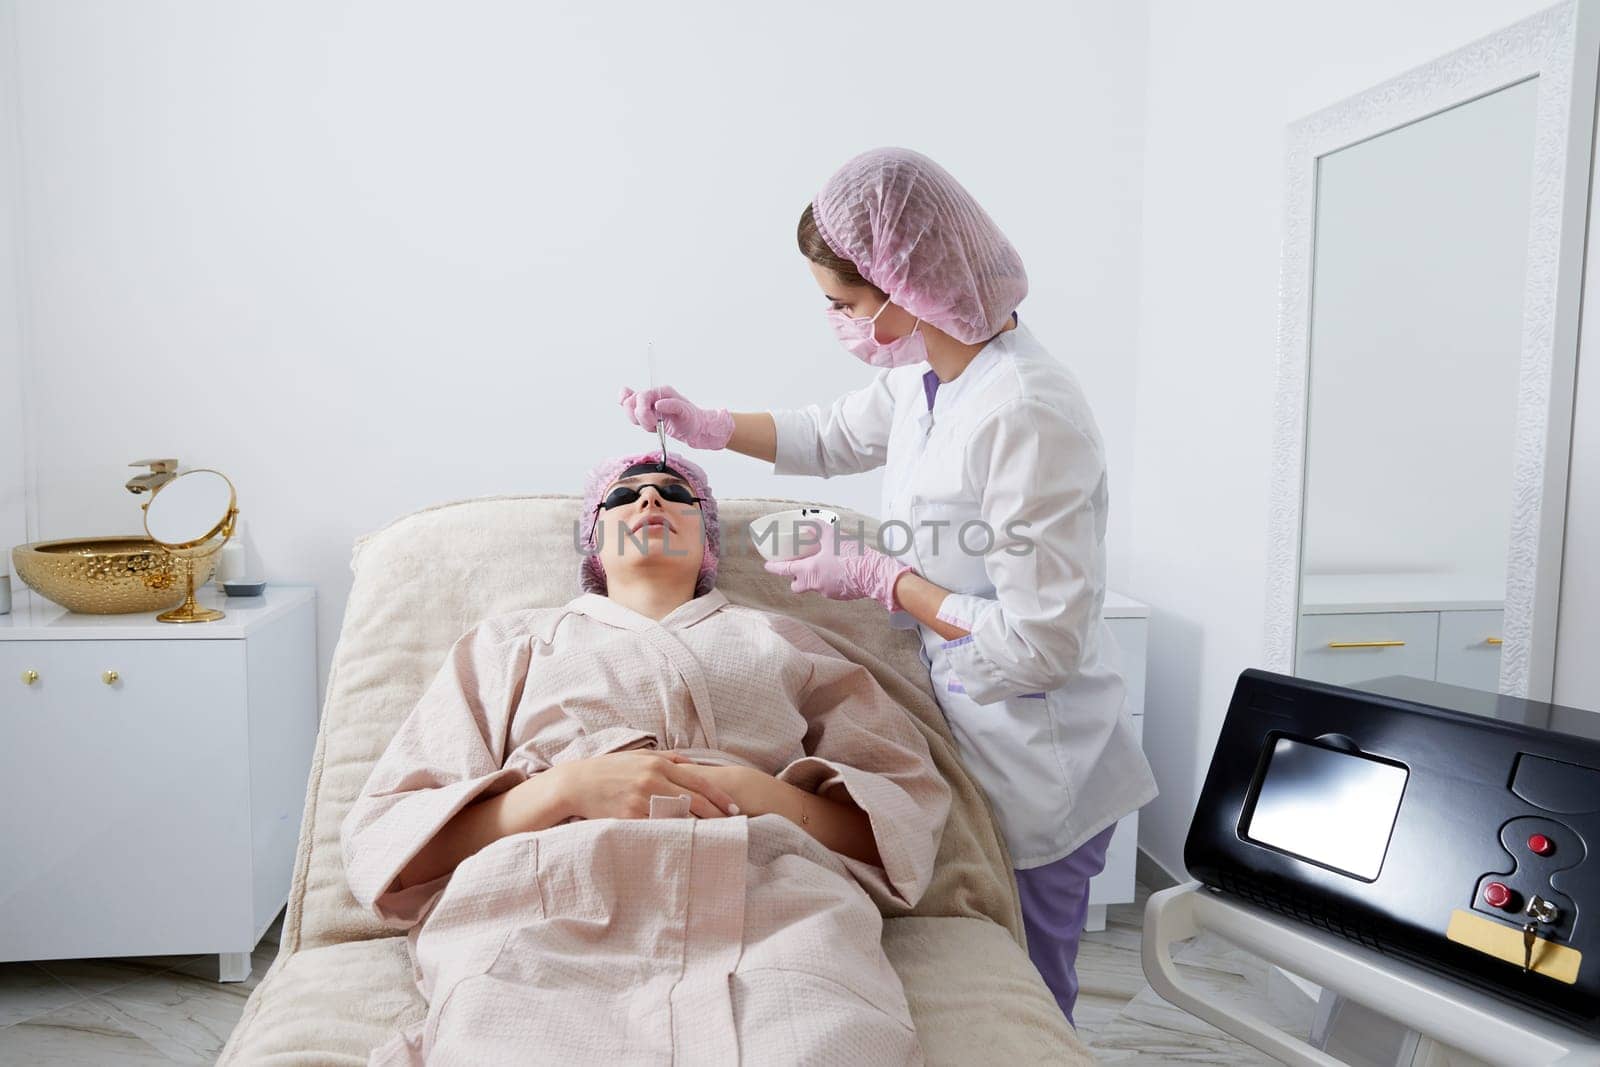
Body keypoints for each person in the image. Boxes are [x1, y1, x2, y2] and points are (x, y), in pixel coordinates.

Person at [618, 147, 1157, 1023]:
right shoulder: (929, 371)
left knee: (1029, 997)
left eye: (842, 303)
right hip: (965, 728)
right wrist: (709, 425)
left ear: (903, 287)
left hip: (1039, 755)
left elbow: (1042, 646)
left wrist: (885, 578)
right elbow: (832, 433)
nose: (835, 320)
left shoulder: (1026, 410)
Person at [341, 450, 950, 1064]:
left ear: (707, 540)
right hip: (543, 906)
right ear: (594, 542)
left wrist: (762, 793)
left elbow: (899, 821)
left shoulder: (785, 642)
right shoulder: (505, 646)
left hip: (771, 905)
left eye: (675, 494)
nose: (650, 500)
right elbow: (395, 846)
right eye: (623, 496)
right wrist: (565, 790)